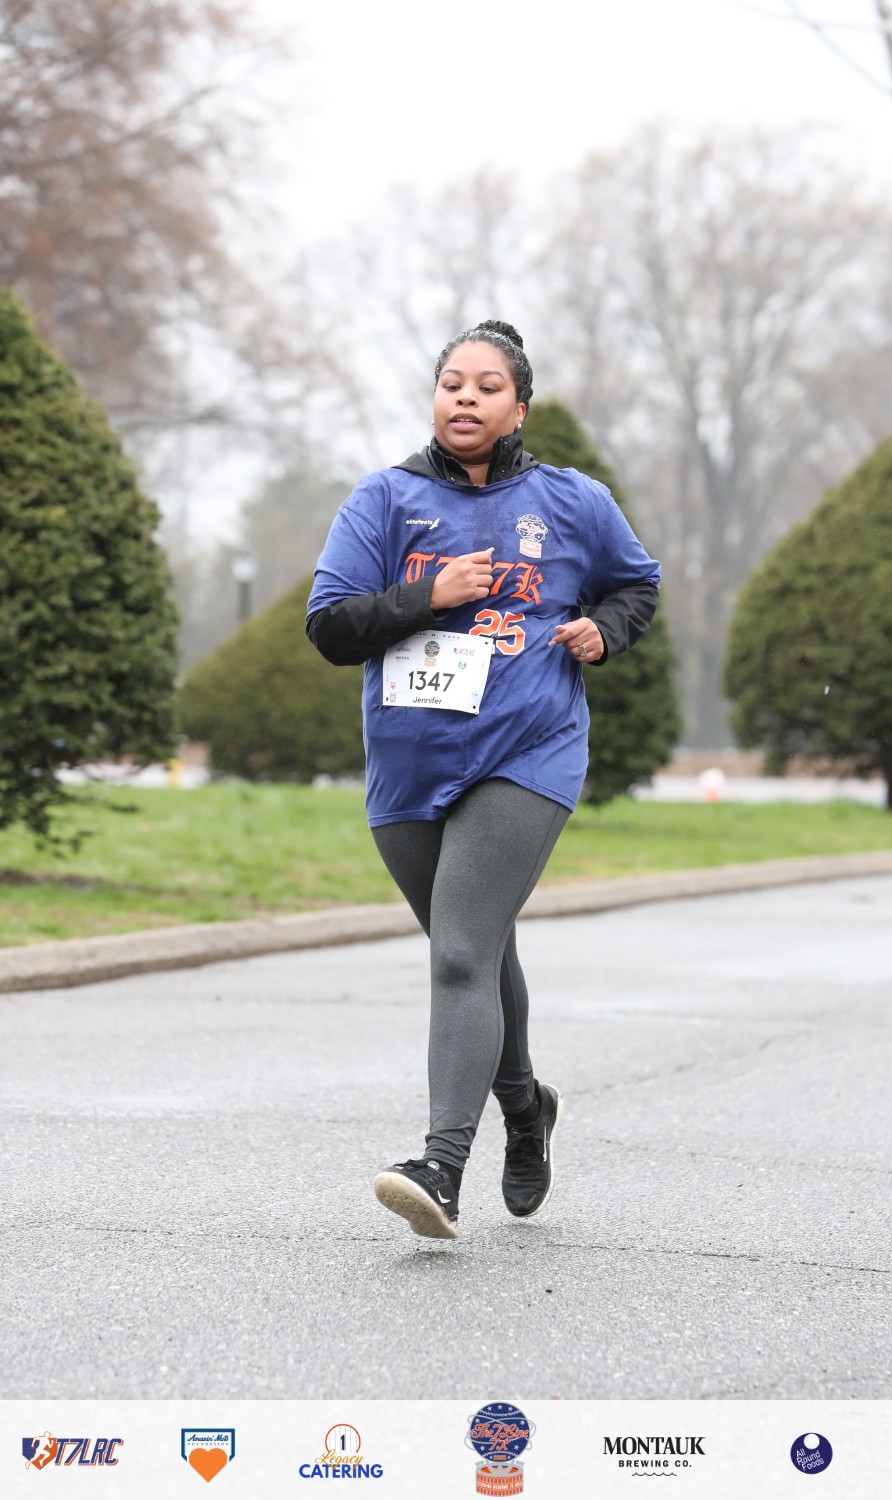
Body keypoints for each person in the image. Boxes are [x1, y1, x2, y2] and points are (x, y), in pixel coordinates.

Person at [306, 320, 661, 1240]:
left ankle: (441, 1165)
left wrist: (603, 631)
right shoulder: (384, 499)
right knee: (481, 949)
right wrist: (427, 596)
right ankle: (526, 1106)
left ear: (520, 408)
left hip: (527, 751)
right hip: (409, 763)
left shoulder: (572, 501)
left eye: (487, 385)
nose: (465, 397)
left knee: (460, 952)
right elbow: (331, 627)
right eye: (451, 382)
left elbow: (637, 585)